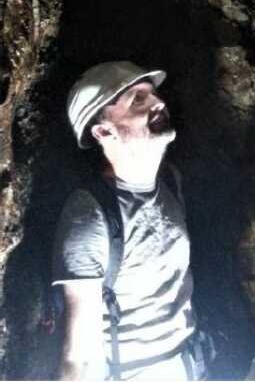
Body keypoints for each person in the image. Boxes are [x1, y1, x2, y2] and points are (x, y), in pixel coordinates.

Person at [52, 61, 204, 381]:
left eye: (152, 94)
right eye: (137, 99)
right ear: (104, 131)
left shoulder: (171, 183)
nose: (157, 102)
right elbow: (79, 358)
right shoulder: (90, 215)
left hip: (194, 365)